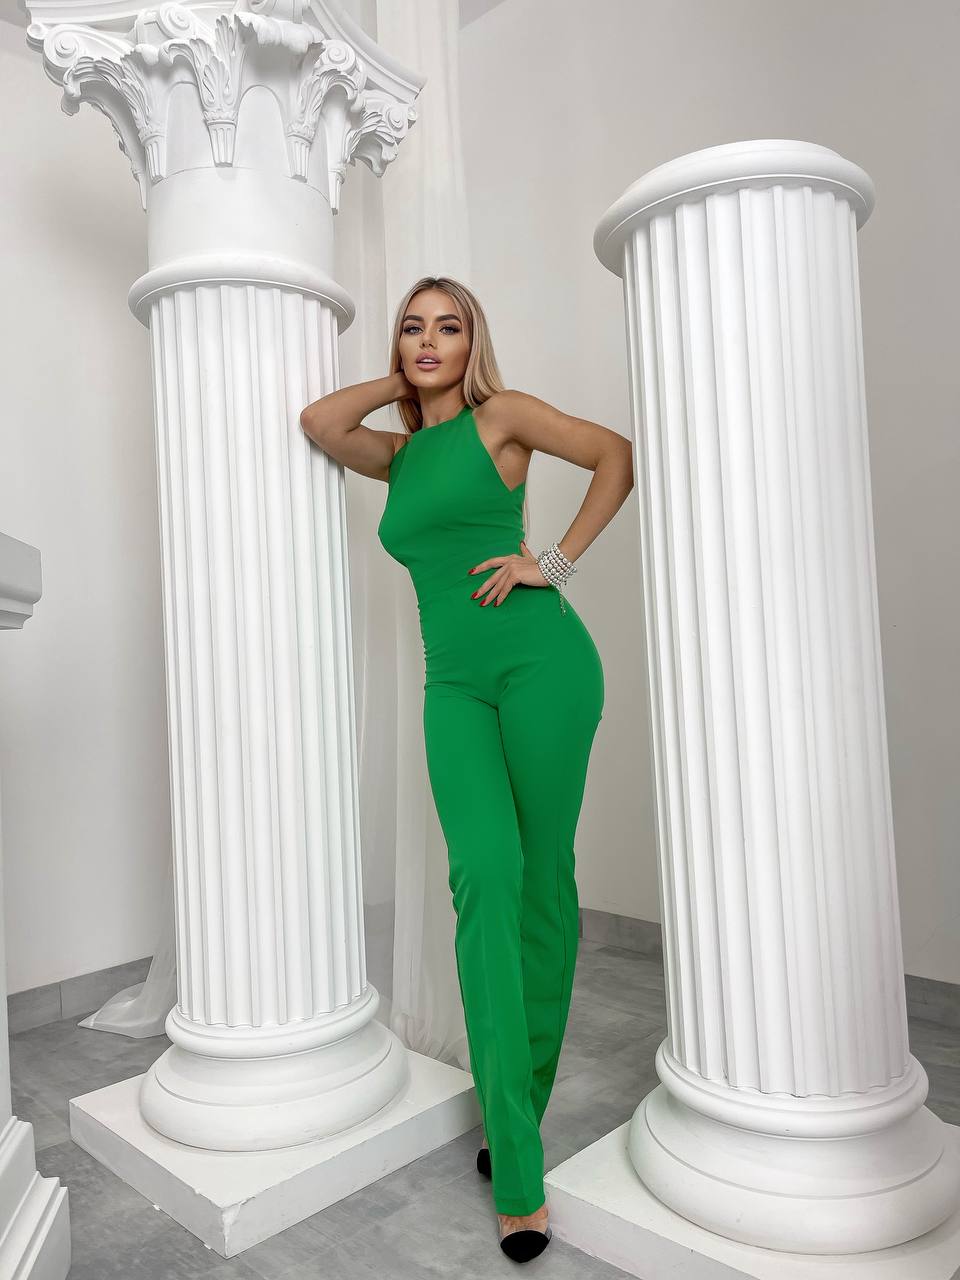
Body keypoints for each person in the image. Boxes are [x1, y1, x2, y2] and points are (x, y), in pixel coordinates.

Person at [299, 275, 634, 1262]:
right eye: (415, 326)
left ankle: (515, 1134)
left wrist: (556, 561)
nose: (429, 339)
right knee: (483, 875)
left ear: (475, 340)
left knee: (542, 886)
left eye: (450, 326)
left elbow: (615, 457)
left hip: (543, 665)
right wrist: (397, 377)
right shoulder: (398, 456)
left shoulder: (505, 418)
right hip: (455, 686)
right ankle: (517, 1144)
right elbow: (320, 421)